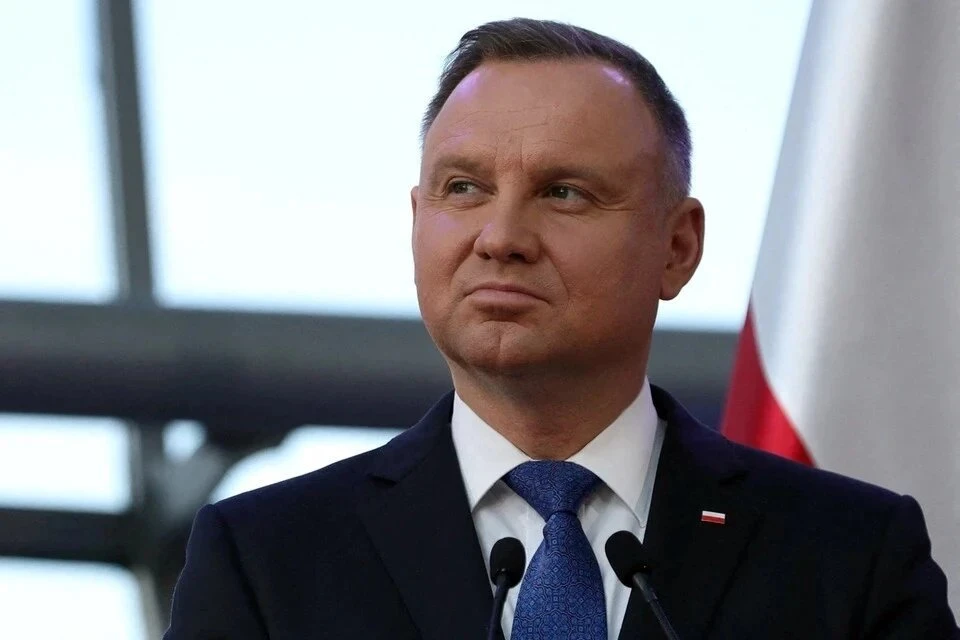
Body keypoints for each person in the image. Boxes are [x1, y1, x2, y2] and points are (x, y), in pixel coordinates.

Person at [164, 18, 957, 639]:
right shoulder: (265, 559)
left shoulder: (850, 554)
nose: (501, 237)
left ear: (678, 247)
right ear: (417, 221)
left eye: (564, 193)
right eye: (463, 188)